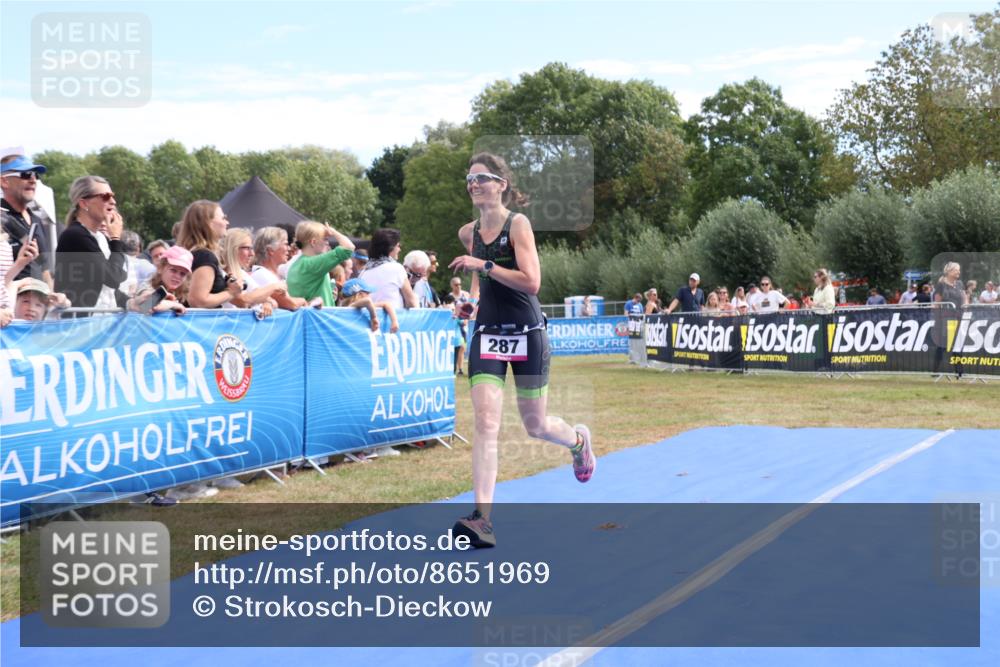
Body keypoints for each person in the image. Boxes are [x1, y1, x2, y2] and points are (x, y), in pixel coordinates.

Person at [447, 152, 595, 548]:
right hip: (488, 334)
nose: (473, 184)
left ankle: (578, 442)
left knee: (536, 425)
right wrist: (472, 302)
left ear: (502, 184)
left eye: (482, 178)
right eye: (469, 179)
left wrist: (485, 267)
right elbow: (480, 281)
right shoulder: (469, 232)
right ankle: (482, 519)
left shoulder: (519, 224)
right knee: (486, 423)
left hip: (528, 333)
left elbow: (532, 282)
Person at [55, 176, 129, 313]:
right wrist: (115, 238)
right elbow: (113, 278)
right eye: (105, 197)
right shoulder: (75, 235)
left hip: (101, 321)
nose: (113, 201)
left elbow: (110, 286)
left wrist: (135, 302)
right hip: (78, 325)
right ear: (84, 204)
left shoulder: (100, 237)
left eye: (113, 196)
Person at [176, 200, 244, 308]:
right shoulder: (204, 256)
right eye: (223, 218)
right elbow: (198, 301)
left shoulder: (188, 253)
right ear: (207, 223)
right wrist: (231, 293)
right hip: (200, 323)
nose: (227, 223)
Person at [1, 155, 53, 286]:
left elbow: (44, 268)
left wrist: (52, 295)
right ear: (4, 182)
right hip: (9, 304)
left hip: (37, 303)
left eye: (36, 175)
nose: (33, 180)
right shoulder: (1, 218)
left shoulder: (36, 220)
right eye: (26, 174)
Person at [286, 221, 355, 307]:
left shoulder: (297, 264)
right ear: (313, 242)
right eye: (325, 239)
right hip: (318, 319)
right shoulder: (312, 263)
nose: (327, 243)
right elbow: (349, 248)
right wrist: (333, 232)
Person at [221, 227, 286, 316]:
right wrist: (274, 287)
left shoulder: (241, 273)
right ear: (232, 248)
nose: (252, 254)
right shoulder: (219, 274)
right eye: (247, 248)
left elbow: (272, 301)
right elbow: (243, 301)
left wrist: (267, 303)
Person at [249, 226, 309, 310]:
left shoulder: (274, 274)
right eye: (285, 244)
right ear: (271, 250)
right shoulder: (261, 274)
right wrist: (303, 300)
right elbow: (290, 304)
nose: (288, 248)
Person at [359, 228, 418, 310]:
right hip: (392, 319)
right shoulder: (397, 268)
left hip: (369, 320)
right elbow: (412, 303)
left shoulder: (363, 272)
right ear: (391, 248)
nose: (400, 249)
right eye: (398, 246)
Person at [127, 244, 192, 315]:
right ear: (160, 268)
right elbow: (147, 306)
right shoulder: (148, 285)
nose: (177, 276)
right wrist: (173, 304)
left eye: (182, 274)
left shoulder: (186, 291)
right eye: (173, 270)